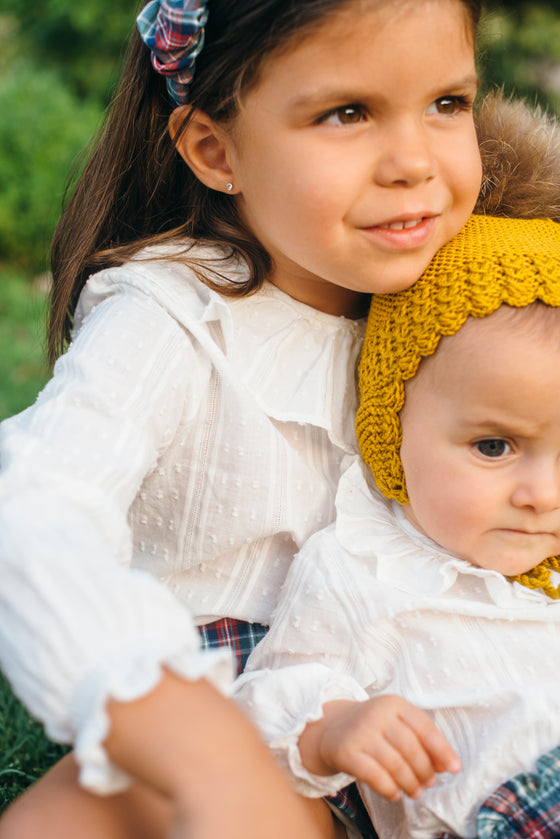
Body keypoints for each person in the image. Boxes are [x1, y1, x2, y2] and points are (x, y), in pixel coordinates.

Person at [0, 0, 484, 838]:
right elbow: (32, 505)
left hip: (409, 747)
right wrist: (186, 735)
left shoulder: (472, 299)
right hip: (220, 709)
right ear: (214, 150)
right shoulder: (175, 314)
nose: (414, 161)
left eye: (448, 103)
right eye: (346, 113)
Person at [233, 118, 560, 837]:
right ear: (392, 429)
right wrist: (338, 727)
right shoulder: (365, 567)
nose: (545, 494)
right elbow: (268, 701)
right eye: (495, 446)